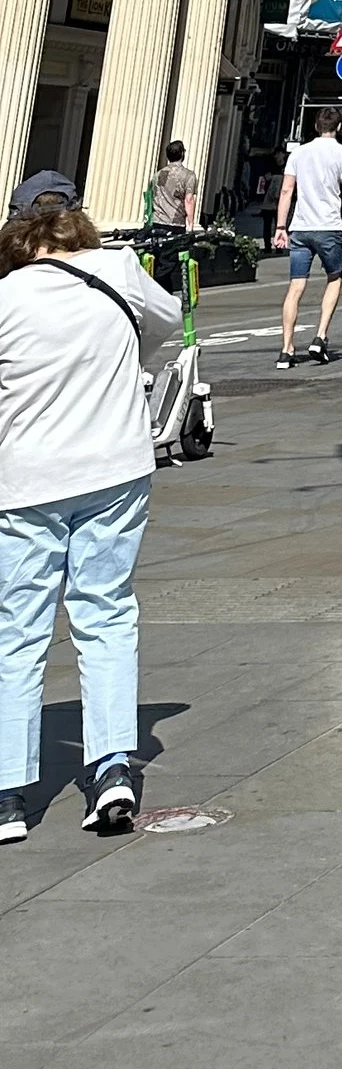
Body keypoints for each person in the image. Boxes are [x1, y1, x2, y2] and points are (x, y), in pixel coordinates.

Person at [0, 168, 180, 841]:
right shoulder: (120, 269)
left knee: (19, 629)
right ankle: (110, 770)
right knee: (105, 615)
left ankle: (10, 794)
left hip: (27, 482)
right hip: (114, 469)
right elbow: (160, 326)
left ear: (18, 223)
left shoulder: (7, 294)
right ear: (78, 215)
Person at [273, 110, 342, 368]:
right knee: (334, 278)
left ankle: (286, 349)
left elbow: (287, 190)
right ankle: (320, 336)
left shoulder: (298, 153)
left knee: (296, 287)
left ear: (315, 125)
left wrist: (281, 226)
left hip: (300, 227)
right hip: (329, 227)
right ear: (340, 126)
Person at [147, 142, 198, 239]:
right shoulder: (188, 175)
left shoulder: (158, 174)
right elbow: (189, 200)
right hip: (175, 224)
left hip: (157, 221)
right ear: (182, 154)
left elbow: (150, 196)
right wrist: (190, 224)